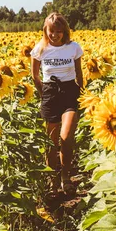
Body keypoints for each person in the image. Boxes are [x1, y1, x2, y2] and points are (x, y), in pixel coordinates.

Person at [30, 12, 83, 196]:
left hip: (69, 92)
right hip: (50, 92)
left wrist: (81, 92)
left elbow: (79, 72)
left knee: (66, 136)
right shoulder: (40, 49)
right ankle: (52, 178)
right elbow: (35, 75)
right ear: (46, 30)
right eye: (51, 31)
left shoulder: (73, 47)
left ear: (64, 31)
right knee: (50, 142)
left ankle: (65, 177)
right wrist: (42, 92)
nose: (55, 35)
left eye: (59, 31)